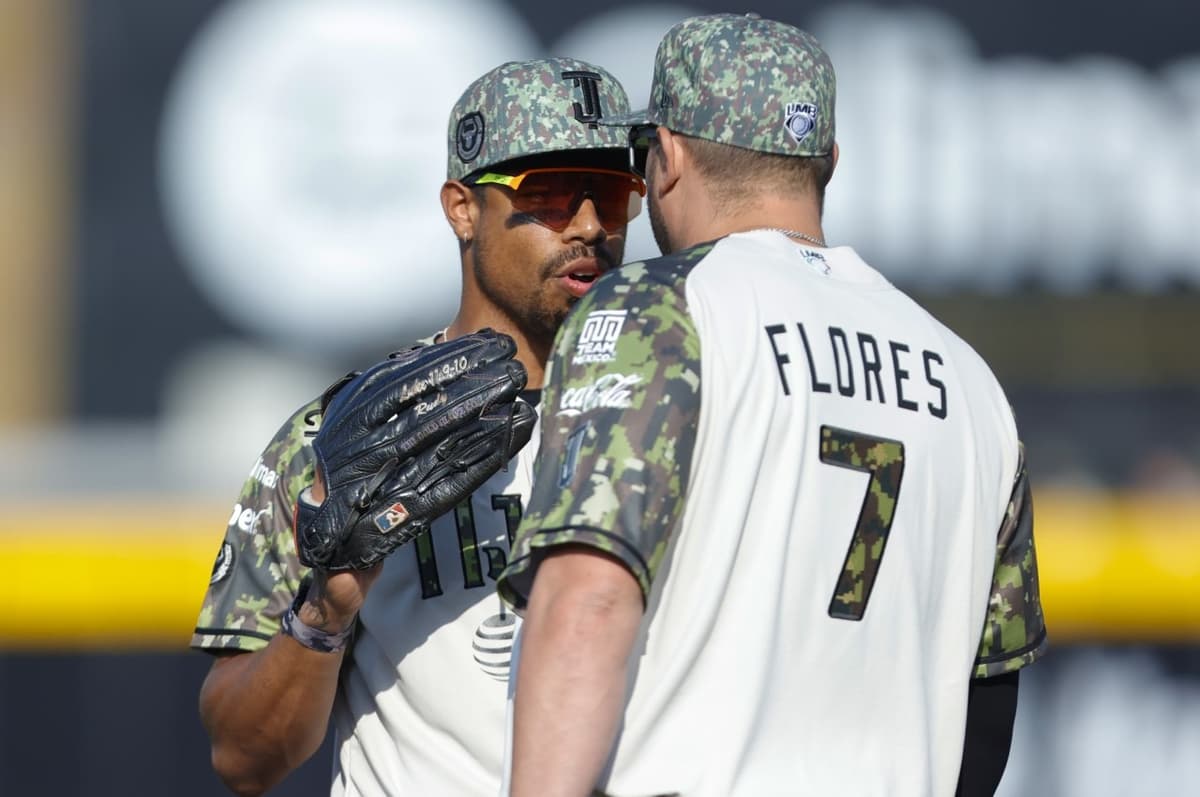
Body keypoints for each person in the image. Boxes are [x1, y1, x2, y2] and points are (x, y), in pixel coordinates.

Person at [497, 13, 1047, 797]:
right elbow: (988, 702)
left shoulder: (663, 308)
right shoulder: (971, 381)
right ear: (827, 159)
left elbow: (590, 595)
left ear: (671, 156)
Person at [191, 57, 645, 796]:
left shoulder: (669, 411)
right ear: (462, 208)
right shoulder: (337, 434)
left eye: (614, 195)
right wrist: (327, 606)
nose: (591, 226)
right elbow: (242, 756)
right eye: (554, 193)